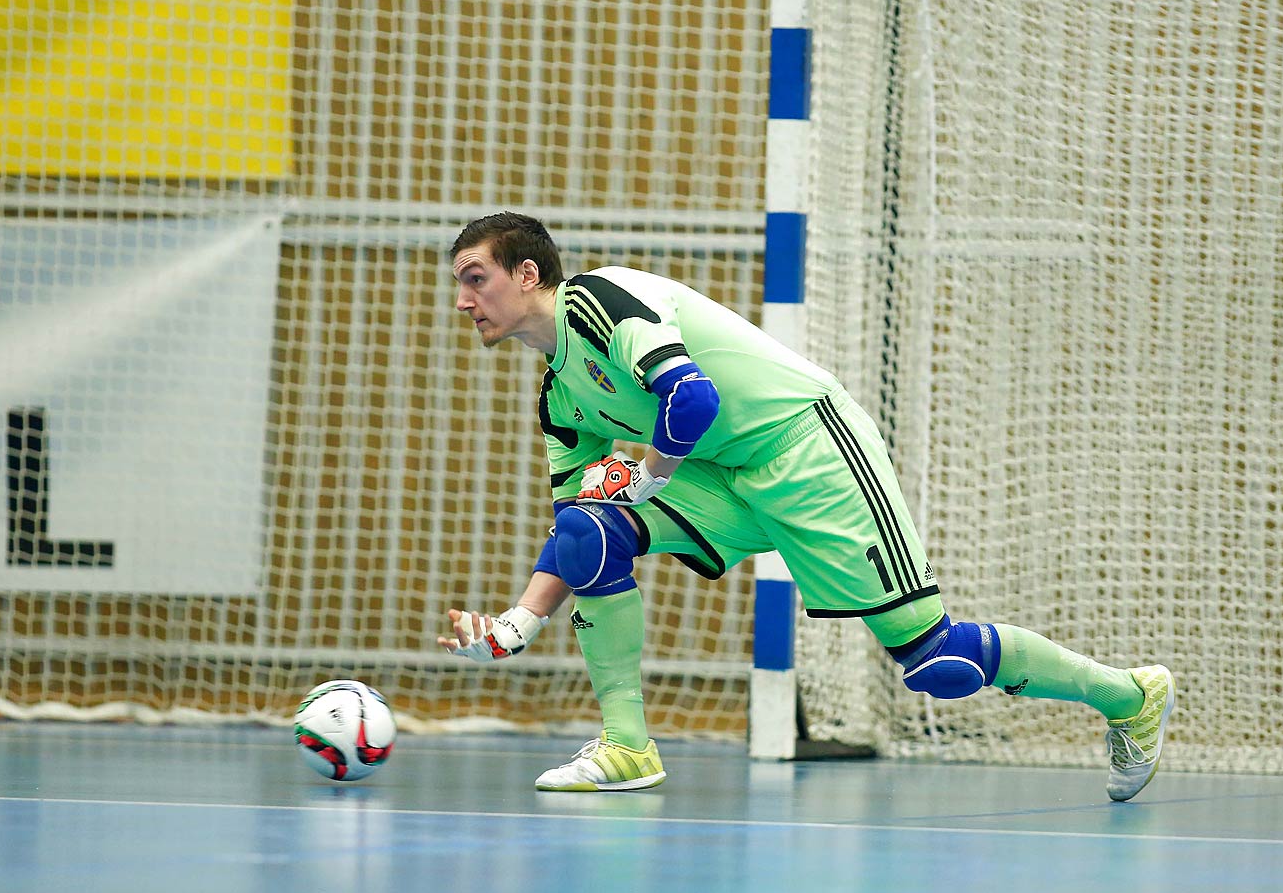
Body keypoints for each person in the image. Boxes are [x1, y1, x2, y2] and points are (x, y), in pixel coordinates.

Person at [438, 211, 1175, 799]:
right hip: (723, 473)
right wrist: (516, 624)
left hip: (807, 446)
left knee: (934, 661)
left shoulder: (597, 302)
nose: (464, 300)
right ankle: (627, 746)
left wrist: (649, 478)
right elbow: (570, 527)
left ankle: (1128, 697)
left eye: (476, 278)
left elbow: (691, 398)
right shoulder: (560, 396)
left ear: (527, 273)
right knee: (590, 531)